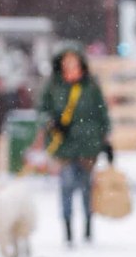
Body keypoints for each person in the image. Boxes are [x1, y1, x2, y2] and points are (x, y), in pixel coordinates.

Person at [30, 46, 110, 246]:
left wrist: (105, 139)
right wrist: (52, 122)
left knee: (86, 188)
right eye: (66, 61)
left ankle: (88, 226)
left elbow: (101, 113)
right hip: (63, 146)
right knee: (66, 186)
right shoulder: (53, 86)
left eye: (73, 61)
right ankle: (67, 229)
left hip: (88, 145)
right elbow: (42, 111)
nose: (70, 65)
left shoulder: (90, 86)